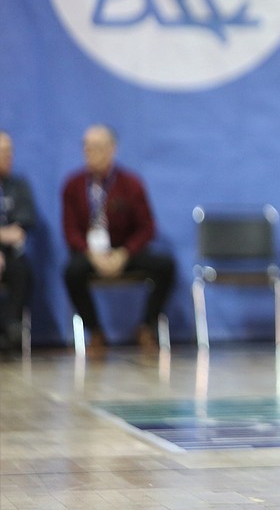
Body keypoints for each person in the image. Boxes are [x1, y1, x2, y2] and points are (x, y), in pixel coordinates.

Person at [61, 124, 176, 351]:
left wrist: (125, 253)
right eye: (86, 147)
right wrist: (90, 254)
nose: (89, 152)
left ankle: (146, 326)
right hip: (90, 253)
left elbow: (147, 228)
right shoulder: (73, 186)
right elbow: (70, 230)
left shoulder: (131, 184)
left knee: (165, 266)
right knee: (71, 272)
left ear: (111, 149)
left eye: (95, 147)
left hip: (124, 251)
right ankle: (95, 331)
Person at [0, 131, 37, 355]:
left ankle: (11, 326)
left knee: (22, 272)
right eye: (2, 152)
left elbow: (20, 231)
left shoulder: (18, 185)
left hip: (11, 255)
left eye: (9, 151)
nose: (8, 157)